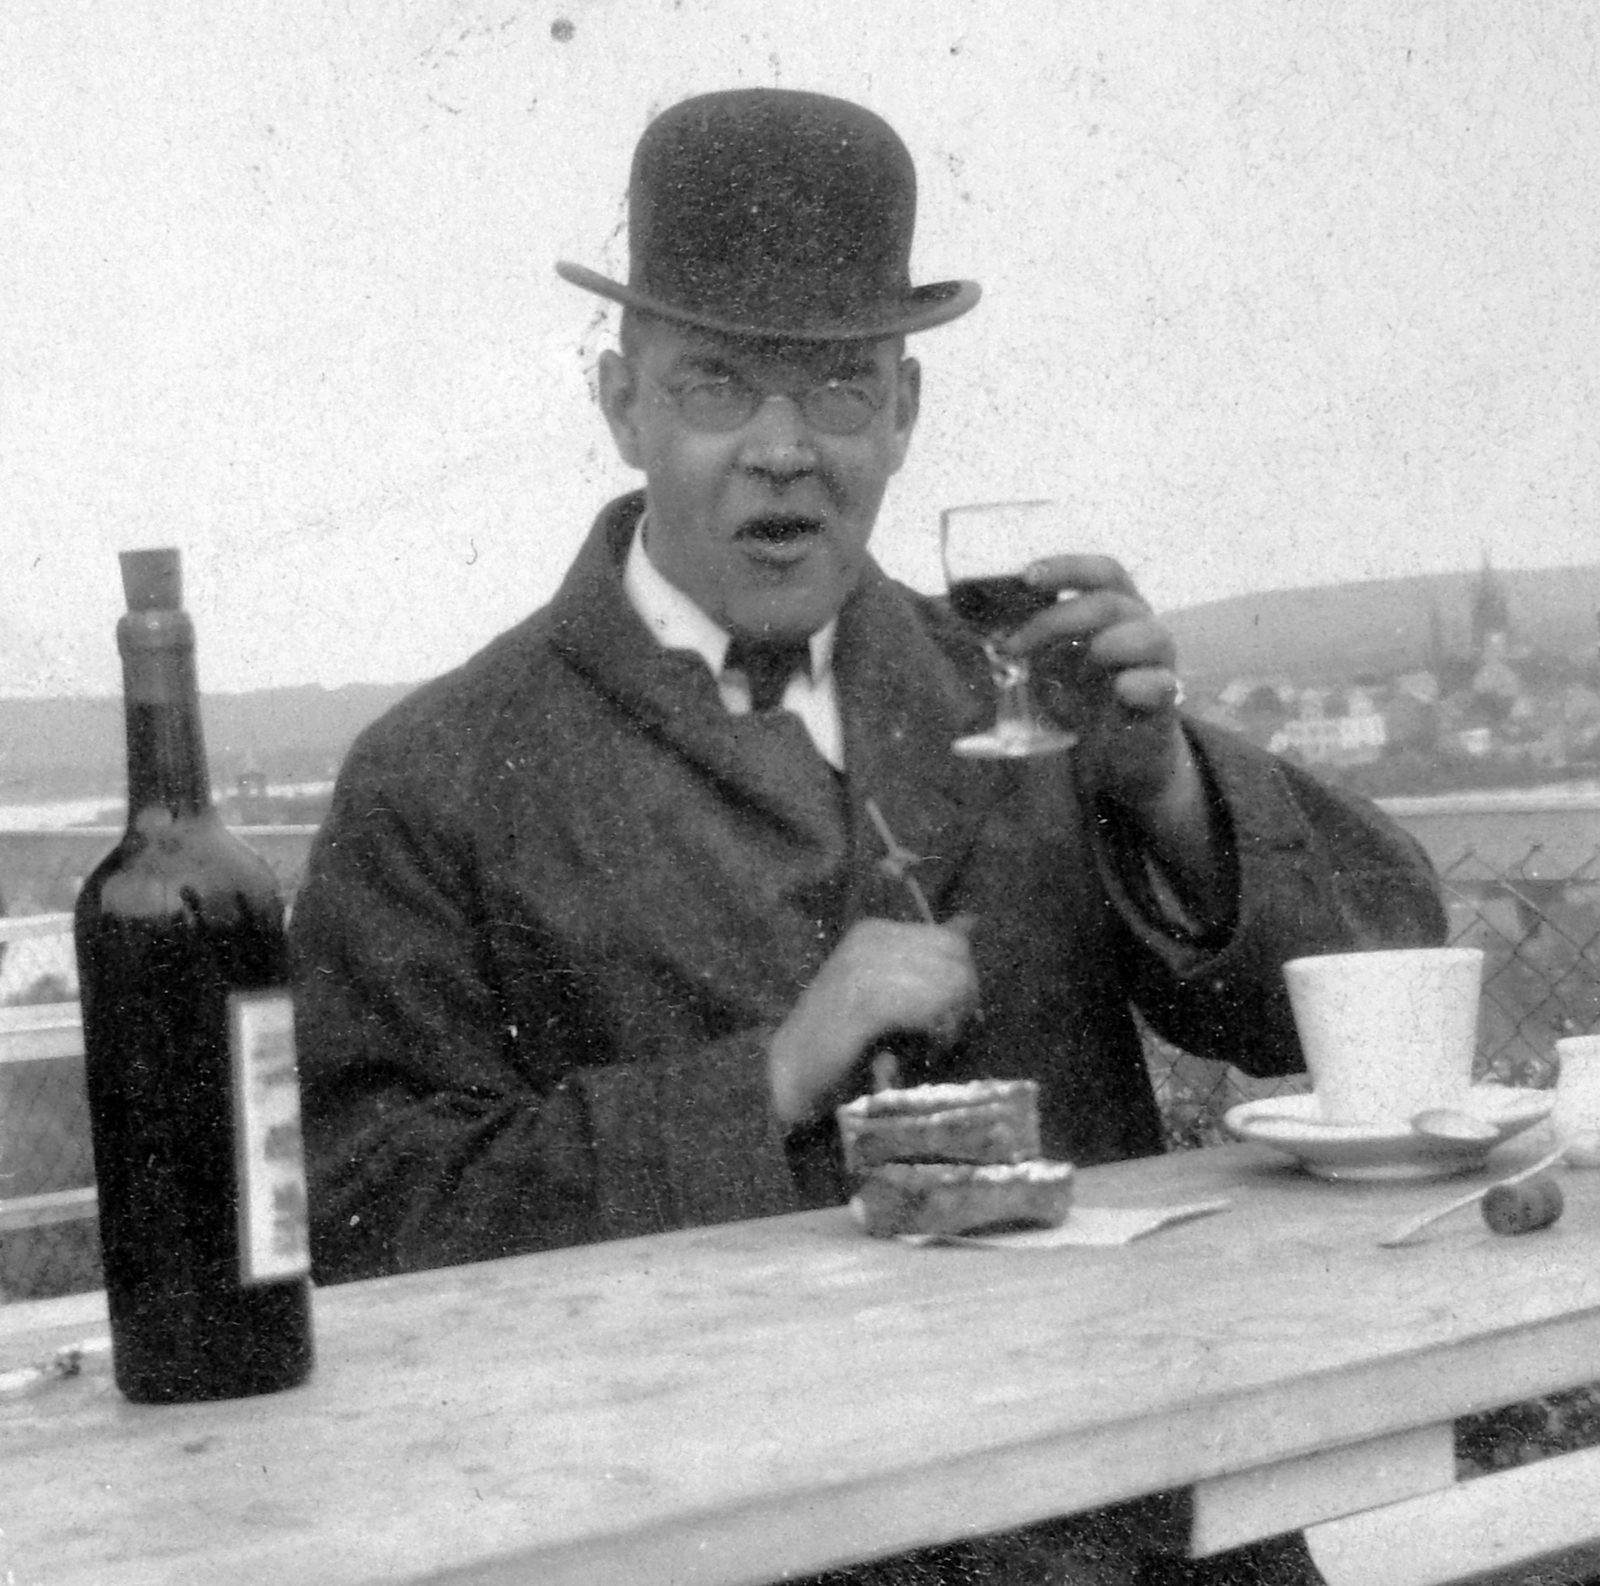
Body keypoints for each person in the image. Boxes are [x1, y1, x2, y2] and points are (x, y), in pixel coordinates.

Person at [290, 88, 1446, 1585]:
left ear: (905, 411)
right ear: (621, 404)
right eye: (717, 384)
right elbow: (363, 1217)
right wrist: (768, 1079)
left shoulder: (1029, 691)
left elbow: (1394, 989)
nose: (784, 449)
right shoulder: (439, 774)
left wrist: (1166, 789)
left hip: (1125, 1527)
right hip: (717, 1541)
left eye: (838, 388)